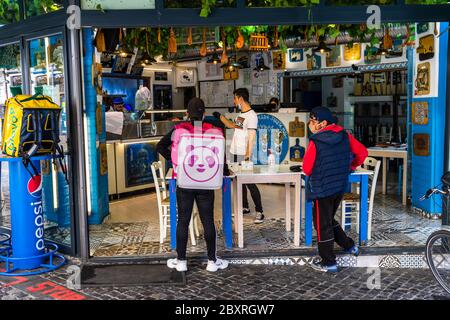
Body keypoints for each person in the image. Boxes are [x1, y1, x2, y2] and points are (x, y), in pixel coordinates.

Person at [156, 97, 229, 273]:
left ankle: (181, 261)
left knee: (183, 220)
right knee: (208, 221)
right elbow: (220, 155)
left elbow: (160, 146)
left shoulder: (179, 130)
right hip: (206, 183)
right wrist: (224, 170)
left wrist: (175, 162)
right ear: (204, 113)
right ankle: (212, 261)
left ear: (187, 114)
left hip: (184, 181)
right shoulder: (214, 130)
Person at [303, 106, 368, 273]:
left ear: (323, 123)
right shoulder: (345, 136)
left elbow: (307, 168)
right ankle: (349, 246)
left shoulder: (315, 141)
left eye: (313, 121)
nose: (310, 124)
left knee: (322, 224)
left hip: (321, 188)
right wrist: (351, 166)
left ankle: (328, 262)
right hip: (339, 186)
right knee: (328, 220)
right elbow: (362, 152)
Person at [213, 88, 264, 224]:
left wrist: (247, 154)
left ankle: (260, 211)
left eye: (235, 98)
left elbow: (252, 137)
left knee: (249, 182)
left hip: (243, 153)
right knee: (238, 181)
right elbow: (233, 126)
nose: (234, 101)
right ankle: (245, 207)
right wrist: (220, 117)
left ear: (240, 98)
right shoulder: (242, 114)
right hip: (235, 152)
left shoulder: (252, 116)